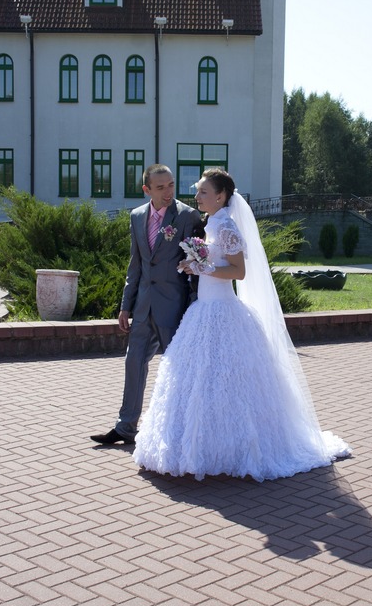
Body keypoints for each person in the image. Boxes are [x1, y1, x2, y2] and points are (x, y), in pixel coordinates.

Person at [132, 168, 351, 481]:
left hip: (223, 310)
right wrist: (193, 265)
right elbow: (213, 264)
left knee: (229, 380)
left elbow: (238, 272)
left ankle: (237, 448)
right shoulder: (210, 223)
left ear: (220, 196)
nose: (197, 196)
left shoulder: (226, 227)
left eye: (203, 192)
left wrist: (202, 267)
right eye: (198, 191)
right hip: (202, 311)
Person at [91, 164, 201, 445]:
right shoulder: (137, 216)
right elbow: (136, 264)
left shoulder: (187, 216)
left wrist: (194, 308)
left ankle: (182, 430)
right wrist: (125, 305)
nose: (168, 192)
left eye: (171, 185)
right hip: (143, 307)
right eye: (160, 187)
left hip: (174, 308)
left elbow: (196, 267)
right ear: (146, 189)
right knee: (133, 362)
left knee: (177, 370)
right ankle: (125, 427)